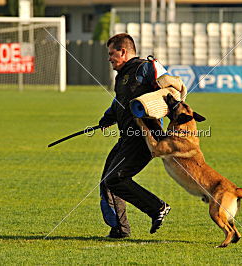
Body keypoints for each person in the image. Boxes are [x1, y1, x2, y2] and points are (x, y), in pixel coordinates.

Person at [98, 33, 170, 238]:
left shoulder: (145, 68)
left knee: (116, 179)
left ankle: (157, 207)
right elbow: (120, 101)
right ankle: (120, 229)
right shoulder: (122, 76)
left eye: (112, 53)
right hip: (126, 137)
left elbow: (171, 91)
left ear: (123, 51)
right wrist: (108, 118)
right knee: (107, 181)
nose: (109, 58)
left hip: (144, 138)